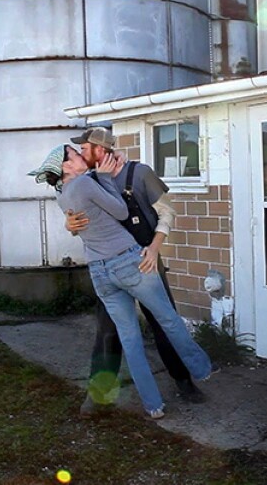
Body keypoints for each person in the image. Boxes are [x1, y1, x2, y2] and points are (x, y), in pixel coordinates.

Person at [28, 144, 215, 419]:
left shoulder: (138, 173)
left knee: (144, 333)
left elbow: (166, 212)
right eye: (79, 151)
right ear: (68, 165)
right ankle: (102, 392)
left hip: (126, 260)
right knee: (127, 330)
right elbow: (116, 212)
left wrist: (154, 247)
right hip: (129, 260)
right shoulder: (90, 179)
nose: (85, 153)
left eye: (88, 149)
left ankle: (172, 390)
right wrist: (70, 224)